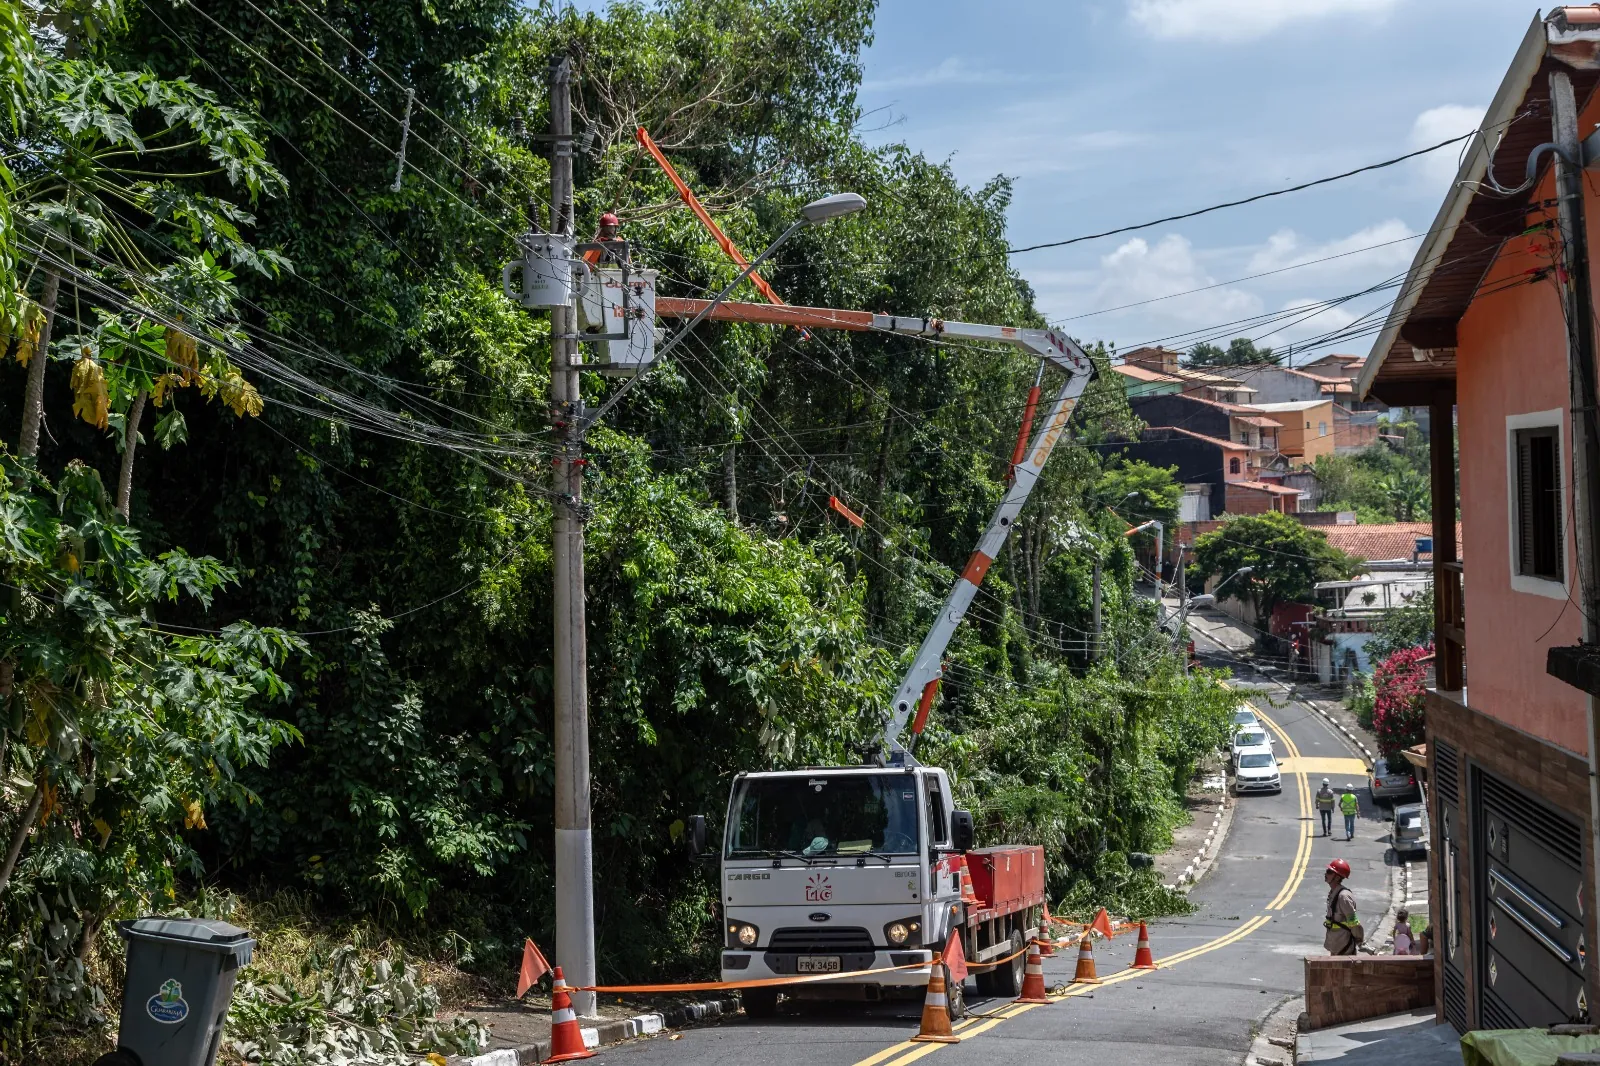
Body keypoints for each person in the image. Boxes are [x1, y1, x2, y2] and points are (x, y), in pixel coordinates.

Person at [1323, 859, 1363, 956]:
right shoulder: (1333, 893)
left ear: (1337, 877)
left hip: (1344, 946)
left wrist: (1359, 939)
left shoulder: (1343, 897)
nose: (1325, 873)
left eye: (1329, 872)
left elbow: (1353, 922)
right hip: (1336, 943)